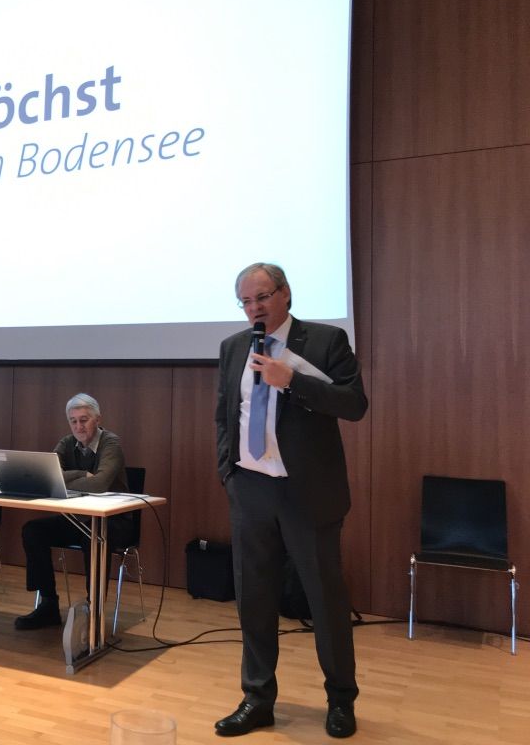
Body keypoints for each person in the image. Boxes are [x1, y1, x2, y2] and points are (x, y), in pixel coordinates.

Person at [213, 263, 367, 738]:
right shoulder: (233, 347)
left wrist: (292, 381)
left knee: (325, 600)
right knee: (254, 600)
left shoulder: (326, 341)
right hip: (251, 489)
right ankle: (257, 698)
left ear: (285, 293)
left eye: (261, 297)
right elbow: (225, 414)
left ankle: (340, 700)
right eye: (245, 301)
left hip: (308, 494)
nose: (254, 308)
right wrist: (229, 473)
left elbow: (354, 404)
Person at [14, 393, 134, 630]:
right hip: (77, 518)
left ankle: (94, 610)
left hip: (114, 521)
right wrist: (81, 474)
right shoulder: (66, 443)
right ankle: (48, 605)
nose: (79, 426)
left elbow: (99, 484)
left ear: (97, 419)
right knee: (33, 531)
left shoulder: (111, 443)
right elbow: (47, 476)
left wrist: (66, 479)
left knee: (94, 538)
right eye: (73, 421)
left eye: (84, 420)